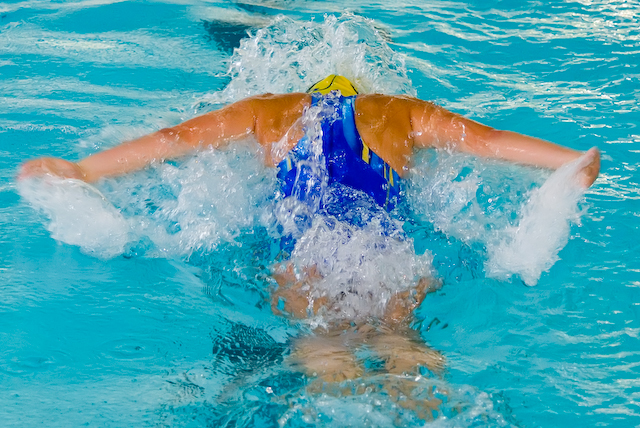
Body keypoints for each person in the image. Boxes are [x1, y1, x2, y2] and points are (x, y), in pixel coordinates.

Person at [18, 75, 600, 405]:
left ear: (305, 93)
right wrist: (571, 163)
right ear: (364, 93)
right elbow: (494, 141)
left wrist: (84, 171)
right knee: (403, 345)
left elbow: (175, 137)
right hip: (385, 256)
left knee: (324, 351)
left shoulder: (268, 113)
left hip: (309, 260)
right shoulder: (400, 112)